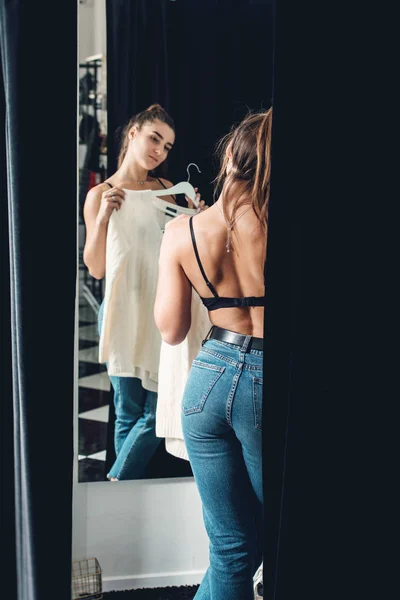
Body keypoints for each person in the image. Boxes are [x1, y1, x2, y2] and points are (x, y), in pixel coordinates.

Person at [154, 107, 272, 599]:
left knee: (230, 549)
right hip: (269, 382)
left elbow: (173, 330)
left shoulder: (181, 232)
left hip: (207, 379)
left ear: (228, 156)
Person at [83, 103, 207, 481]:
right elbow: (96, 267)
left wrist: (198, 216)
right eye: (155, 138)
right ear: (133, 134)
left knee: (156, 412)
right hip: (122, 309)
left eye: (168, 146)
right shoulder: (101, 194)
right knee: (126, 411)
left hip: (162, 310)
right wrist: (104, 216)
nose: (160, 150)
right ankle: (124, 502)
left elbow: (192, 247)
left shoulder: (170, 190)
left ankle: (115, 482)